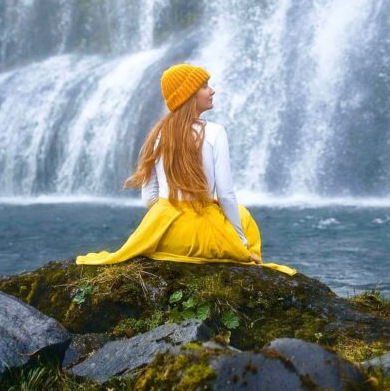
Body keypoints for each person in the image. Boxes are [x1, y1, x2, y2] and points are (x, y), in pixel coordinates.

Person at [75, 63, 296, 275]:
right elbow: (226, 194)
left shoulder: (158, 134)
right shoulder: (215, 132)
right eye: (204, 86)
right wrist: (240, 243)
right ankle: (243, 251)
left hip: (163, 235)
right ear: (189, 94)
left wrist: (169, 215)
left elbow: (149, 198)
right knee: (243, 214)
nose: (212, 90)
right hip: (202, 235)